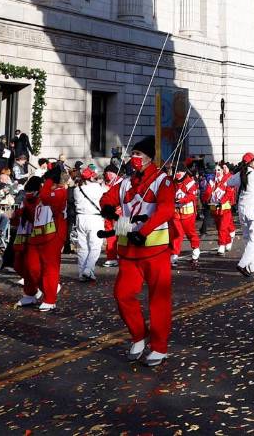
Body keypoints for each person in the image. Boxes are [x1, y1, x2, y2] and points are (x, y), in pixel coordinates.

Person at [99, 137, 176, 366]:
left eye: (138, 154)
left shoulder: (162, 180)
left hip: (155, 249)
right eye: (132, 153)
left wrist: (144, 232)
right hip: (129, 251)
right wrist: (107, 208)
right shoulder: (125, 182)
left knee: (158, 300)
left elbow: (166, 210)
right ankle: (139, 335)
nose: (134, 157)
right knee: (122, 294)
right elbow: (107, 198)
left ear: (149, 157)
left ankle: (159, 347)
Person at [20, 163, 68, 311]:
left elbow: (47, 198)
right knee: (31, 266)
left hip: (52, 236)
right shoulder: (43, 192)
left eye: (46, 181)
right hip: (37, 235)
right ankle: (40, 291)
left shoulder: (60, 192)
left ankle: (50, 298)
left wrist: (48, 181)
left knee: (49, 268)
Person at [73, 167, 107, 281]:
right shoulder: (97, 187)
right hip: (94, 218)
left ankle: (82, 273)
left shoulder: (77, 189)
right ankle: (88, 269)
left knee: (83, 248)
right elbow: (107, 192)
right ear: (91, 177)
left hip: (80, 218)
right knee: (95, 246)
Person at [170, 168, 201, 265]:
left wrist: (181, 200)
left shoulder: (190, 182)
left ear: (184, 172)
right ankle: (174, 255)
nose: (177, 173)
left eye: (179, 171)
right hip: (175, 214)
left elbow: (192, 196)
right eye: (176, 171)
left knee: (190, 233)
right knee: (177, 234)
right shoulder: (172, 181)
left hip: (188, 213)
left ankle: (196, 251)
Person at [208, 163, 236, 254]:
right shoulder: (212, 181)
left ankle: (221, 245)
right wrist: (206, 198)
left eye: (219, 170)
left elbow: (229, 193)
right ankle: (228, 240)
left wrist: (222, 201)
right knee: (219, 227)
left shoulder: (227, 180)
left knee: (223, 227)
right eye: (215, 170)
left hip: (225, 208)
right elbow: (208, 192)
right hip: (214, 208)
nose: (217, 172)